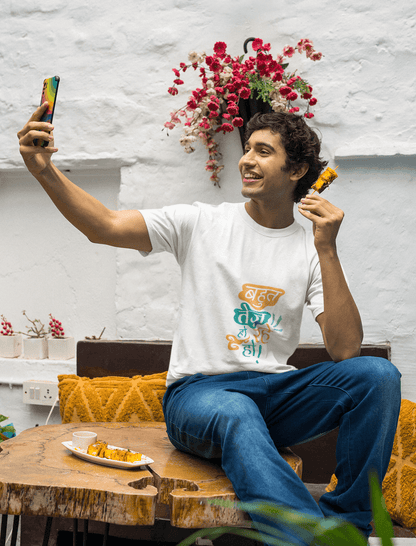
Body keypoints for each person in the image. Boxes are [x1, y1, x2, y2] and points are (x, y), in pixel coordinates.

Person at [18, 104, 401, 544]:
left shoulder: (312, 248)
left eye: (263, 151)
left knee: (378, 375)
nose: (247, 160)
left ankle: (350, 524)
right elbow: (104, 226)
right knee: (236, 410)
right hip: (198, 397)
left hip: (273, 397)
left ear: (296, 169)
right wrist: (43, 171)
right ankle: (316, 541)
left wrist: (328, 250)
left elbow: (346, 351)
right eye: (247, 149)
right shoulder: (201, 222)